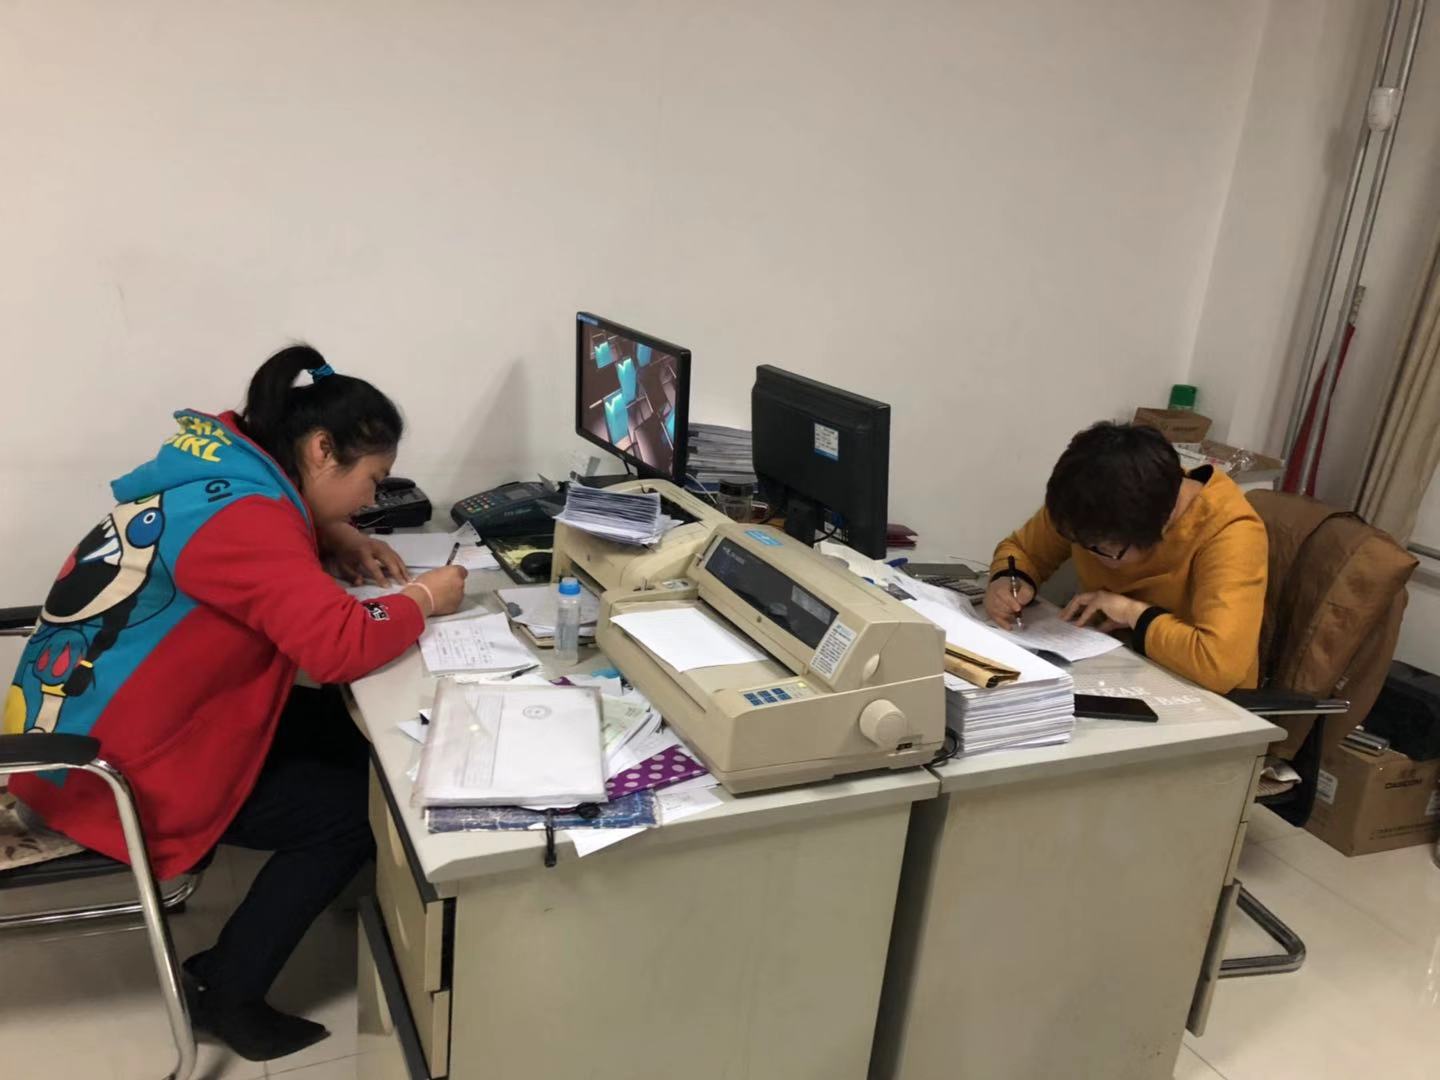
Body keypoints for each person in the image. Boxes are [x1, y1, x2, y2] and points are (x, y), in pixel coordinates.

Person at [4, 345, 467, 1061]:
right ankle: (227, 988)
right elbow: (337, 645)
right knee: (351, 813)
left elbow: (251, 552)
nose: (370, 502)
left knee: (356, 737)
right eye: (371, 483)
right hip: (108, 768)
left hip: (107, 718)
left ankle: (351, 900)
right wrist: (423, 600)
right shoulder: (248, 521)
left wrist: (332, 532)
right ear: (321, 450)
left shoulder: (220, 473)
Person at [984, 421, 1267, 693]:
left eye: (1101, 548)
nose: (1086, 552)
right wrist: (1008, 579)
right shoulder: (1090, 498)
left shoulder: (1230, 532)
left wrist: (1132, 613)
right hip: (1110, 664)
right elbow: (1022, 550)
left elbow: (1218, 665)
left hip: (1201, 694)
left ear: (1159, 528)